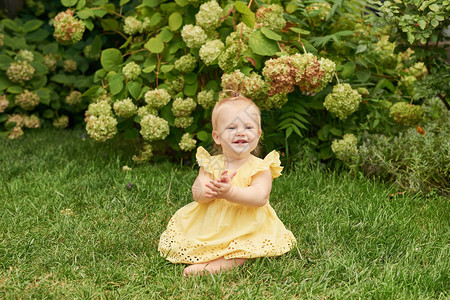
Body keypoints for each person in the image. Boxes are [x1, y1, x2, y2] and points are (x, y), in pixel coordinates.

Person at [158, 92, 296, 276]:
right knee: (196, 241)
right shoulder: (212, 164)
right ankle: (209, 254)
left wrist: (229, 192)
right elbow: (197, 192)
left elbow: (260, 197)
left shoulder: (260, 167)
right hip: (213, 224)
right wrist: (206, 191)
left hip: (248, 226)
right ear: (217, 137)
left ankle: (212, 267)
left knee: (245, 251)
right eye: (231, 128)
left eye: (248, 127)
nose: (240, 132)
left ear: (258, 134)